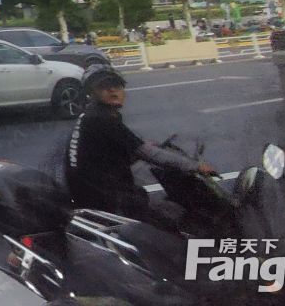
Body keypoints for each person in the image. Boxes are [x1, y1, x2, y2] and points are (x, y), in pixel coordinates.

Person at [64, 65, 216, 231]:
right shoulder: (101, 119)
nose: (112, 90)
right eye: (103, 87)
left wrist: (143, 147)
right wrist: (195, 166)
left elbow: (118, 146)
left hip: (91, 192)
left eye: (116, 85)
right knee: (169, 228)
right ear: (91, 93)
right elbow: (147, 153)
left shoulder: (92, 115)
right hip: (107, 199)